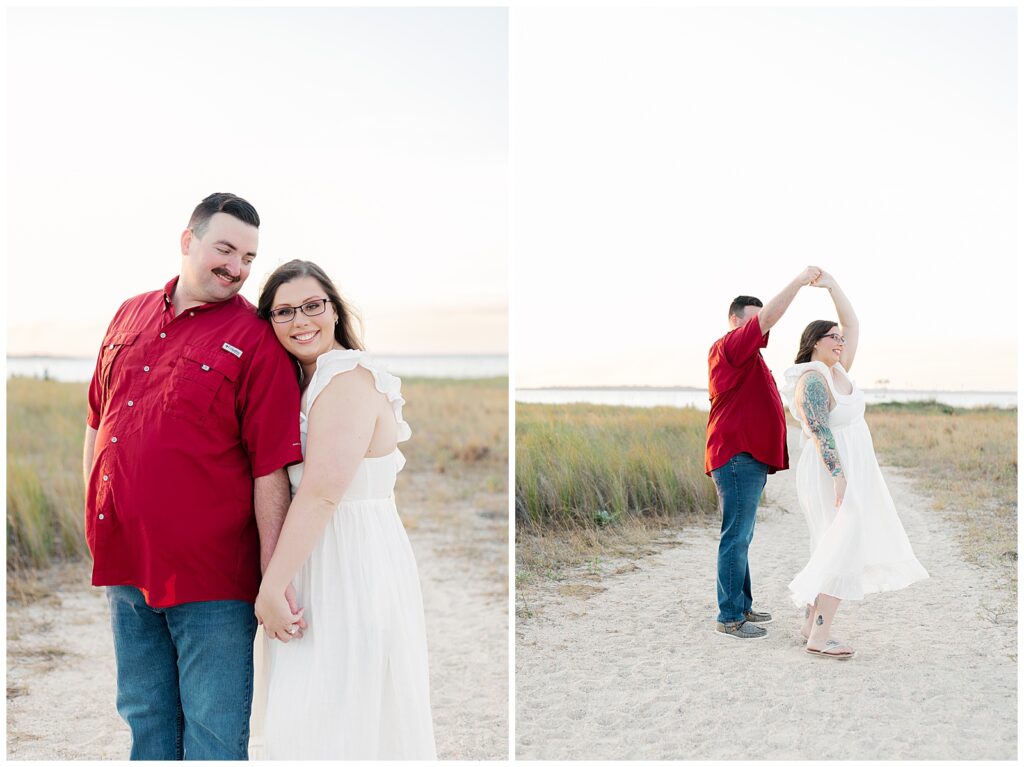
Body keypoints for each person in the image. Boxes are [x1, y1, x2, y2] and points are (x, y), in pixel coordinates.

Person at [83, 193, 304, 759]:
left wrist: (273, 577)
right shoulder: (129, 312)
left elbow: (270, 468)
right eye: (225, 249)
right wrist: (94, 522)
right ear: (188, 241)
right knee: (145, 717)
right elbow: (97, 421)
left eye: (249, 257)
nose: (237, 267)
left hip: (213, 583)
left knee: (212, 733)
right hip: (126, 565)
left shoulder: (257, 338)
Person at [248, 260, 436, 760]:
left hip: (351, 563)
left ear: (333, 309)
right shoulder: (305, 381)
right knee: (314, 712)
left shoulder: (347, 376)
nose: (300, 321)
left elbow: (323, 492)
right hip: (316, 555)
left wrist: (270, 586)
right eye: (284, 311)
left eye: (312, 306)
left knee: (339, 715)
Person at [781, 270, 928, 659]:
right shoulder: (813, 380)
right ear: (815, 343)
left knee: (834, 543)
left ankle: (810, 623)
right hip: (832, 474)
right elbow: (819, 432)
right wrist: (840, 478)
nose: (842, 341)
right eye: (834, 338)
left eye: (842, 339)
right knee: (844, 545)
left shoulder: (838, 370)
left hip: (851, 470)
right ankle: (819, 636)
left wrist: (832, 285)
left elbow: (853, 322)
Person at [705, 266, 823, 639]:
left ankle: (741, 606)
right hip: (736, 455)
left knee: (743, 535)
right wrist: (801, 280)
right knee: (736, 536)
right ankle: (729, 617)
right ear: (736, 322)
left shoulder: (750, 357)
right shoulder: (731, 346)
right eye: (754, 323)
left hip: (746, 458)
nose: (762, 329)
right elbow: (770, 315)